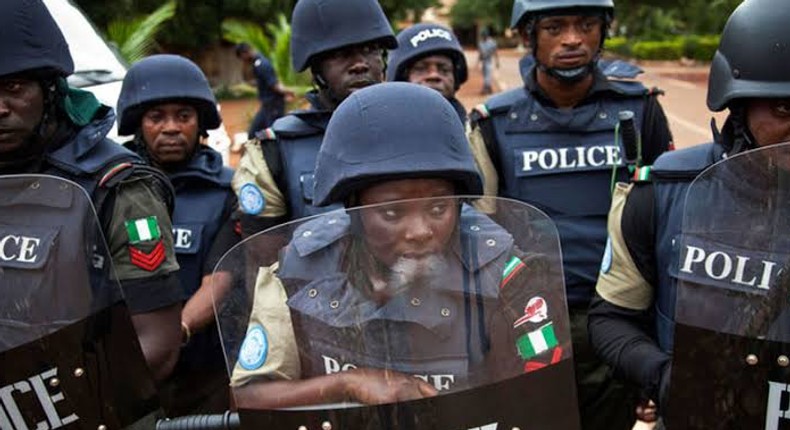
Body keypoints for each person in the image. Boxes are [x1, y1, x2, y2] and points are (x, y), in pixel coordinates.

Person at [228, 83, 572, 411]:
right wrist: (348, 383)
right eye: (392, 212)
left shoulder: (509, 278)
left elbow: (540, 401)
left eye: (438, 208)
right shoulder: (298, 269)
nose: (420, 231)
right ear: (354, 209)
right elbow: (249, 397)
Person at [468, 0, 675, 428]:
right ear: (528, 36)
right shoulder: (494, 123)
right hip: (529, 320)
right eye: (554, 27)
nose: (573, 39)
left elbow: (666, 220)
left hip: (619, 321)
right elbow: (478, 231)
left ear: (603, 33)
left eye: (586, 25)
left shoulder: (642, 110)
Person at [588, 0, 790, 424]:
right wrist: (662, 375)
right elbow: (612, 318)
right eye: (784, 109)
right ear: (738, 104)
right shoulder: (663, 194)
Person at [0, 0, 183, 383]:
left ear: (50, 88)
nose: (0, 107)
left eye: (14, 87)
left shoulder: (120, 187)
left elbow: (157, 343)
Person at [116, 54, 240, 414]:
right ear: (138, 125)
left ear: (201, 123)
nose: (171, 127)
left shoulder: (227, 191)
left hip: (203, 375)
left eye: (183, 116)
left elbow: (220, 277)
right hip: (120, 369)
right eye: (157, 117)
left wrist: (173, 335)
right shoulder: (112, 188)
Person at [232, 0, 397, 236]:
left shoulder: (416, 130)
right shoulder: (273, 152)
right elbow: (264, 261)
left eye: (370, 50)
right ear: (316, 69)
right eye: (341, 55)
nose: (360, 64)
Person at [387, 22, 499, 212]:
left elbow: (486, 206)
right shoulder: (382, 132)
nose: (434, 75)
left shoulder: (473, 131)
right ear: (402, 77)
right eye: (421, 69)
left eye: (443, 69)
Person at [235, 43, 294, 139]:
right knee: (253, 132)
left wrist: (288, 92)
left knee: (274, 135)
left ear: (244, 54)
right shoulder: (256, 63)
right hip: (267, 106)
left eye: (242, 58)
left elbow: (275, 85)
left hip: (273, 106)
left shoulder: (262, 64)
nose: (243, 61)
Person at [477, 28, 499, 95]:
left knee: (488, 75)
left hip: (489, 61)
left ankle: (485, 89)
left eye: (484, 35)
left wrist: (497, 62)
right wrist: (478, 62)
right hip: (483, 61)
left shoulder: (492, 43)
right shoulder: (480, 43)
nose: (483, 37)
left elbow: (495, 53)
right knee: (485, 75)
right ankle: (489, 88)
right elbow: (480, 54)